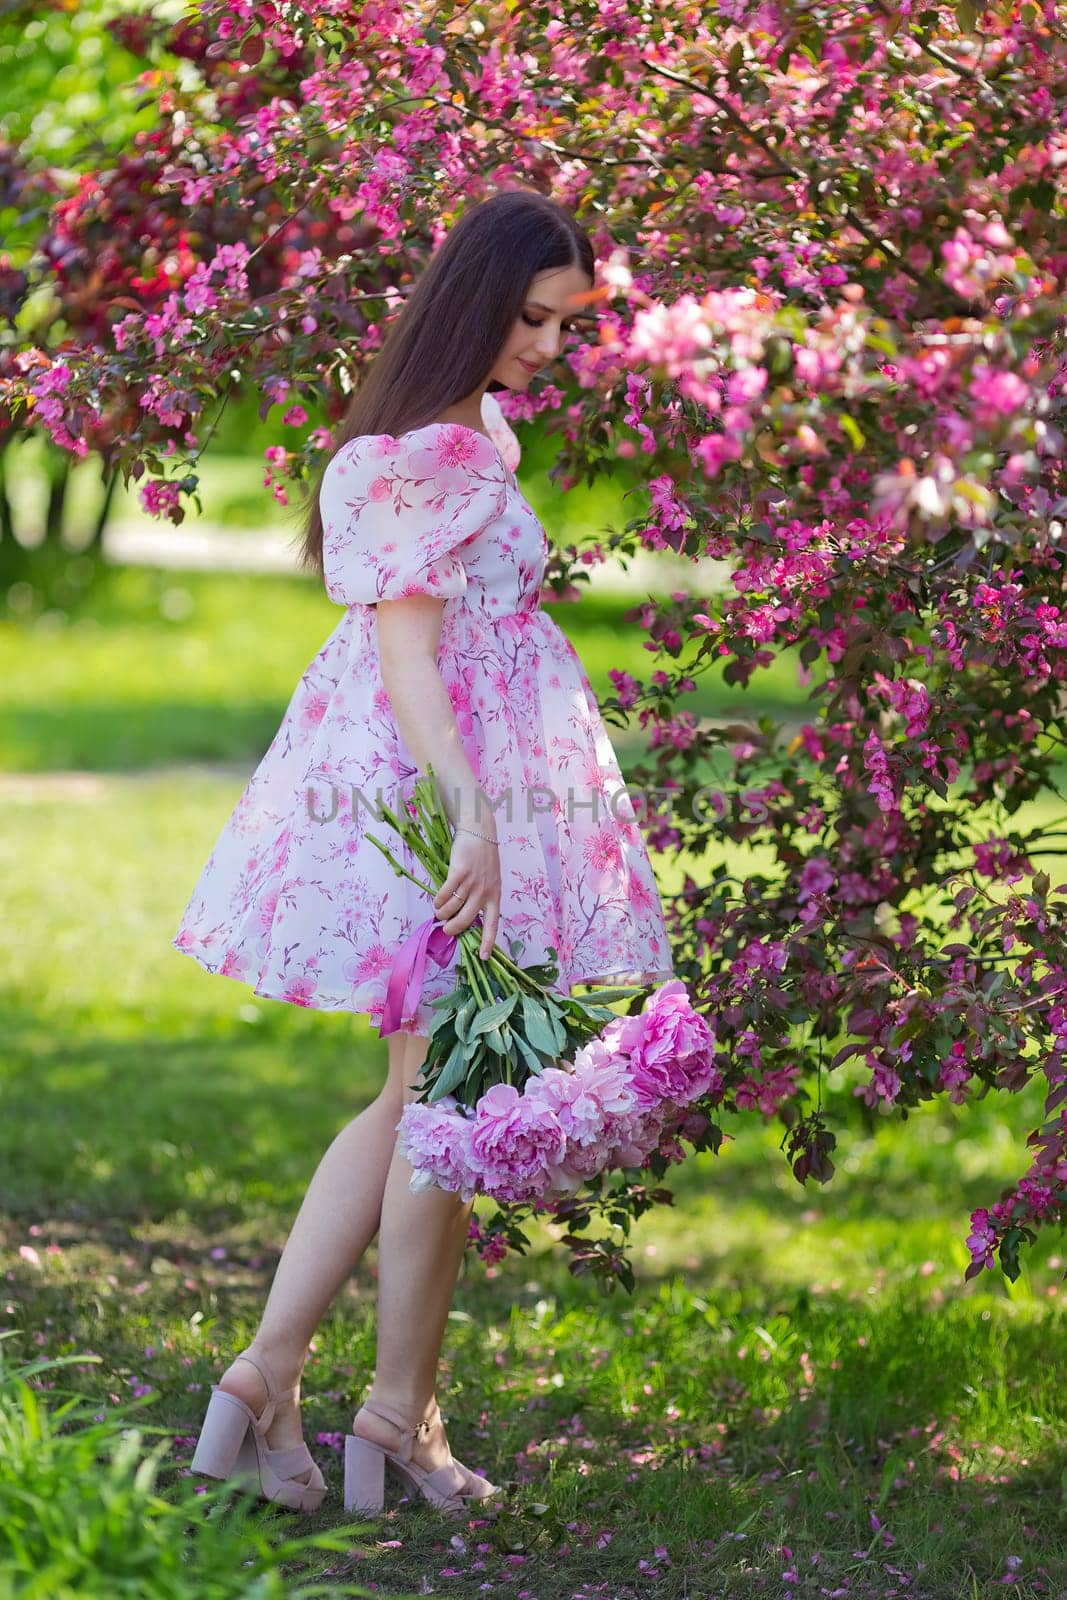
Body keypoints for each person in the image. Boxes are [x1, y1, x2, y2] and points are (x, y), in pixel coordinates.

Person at [175, 188, 675, 1516]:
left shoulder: (465, 437)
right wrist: (474, 815)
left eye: (563, 325)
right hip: (439, 790)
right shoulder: (437, 452)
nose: (546, 348)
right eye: (530, 318)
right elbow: (405, 650)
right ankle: (376, 1411)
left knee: (419, 1101)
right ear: (474, 301)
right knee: (437, 1103)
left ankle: (292, 1388)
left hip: (461, 779)